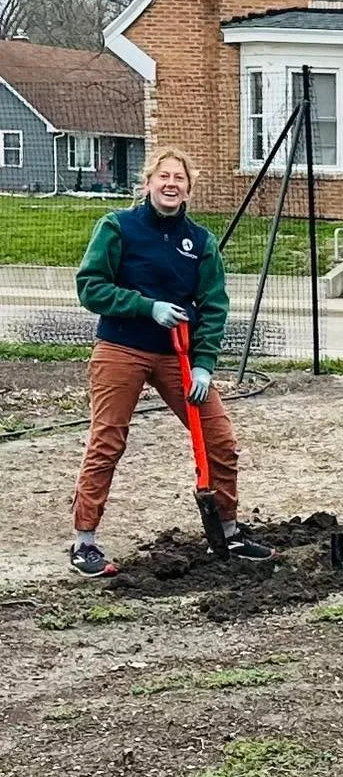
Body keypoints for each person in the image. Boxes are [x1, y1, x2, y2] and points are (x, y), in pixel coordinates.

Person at [69, 146, 273, 576]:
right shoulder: (118, 228)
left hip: (178, 358)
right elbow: (91, 287)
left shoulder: (199, 242)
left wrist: (203, 364)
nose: (170, 184)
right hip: (121, 348)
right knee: (107, 441)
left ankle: (229, 532)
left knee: (220, 440)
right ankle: (84, 542)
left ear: (188, 189)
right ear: (147, 183)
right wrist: (147, 307)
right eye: (163, 176)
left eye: (178, 178)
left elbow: (213, 305)